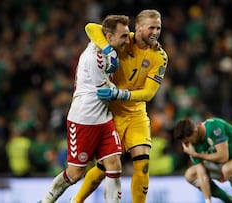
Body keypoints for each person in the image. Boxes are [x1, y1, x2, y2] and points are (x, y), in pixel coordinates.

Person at [72, 9, 168, 203]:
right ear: (138, 27)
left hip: (136, 114)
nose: (156, 32)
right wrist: (108, 49)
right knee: (102, 169)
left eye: (158, 27)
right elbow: (90, 27)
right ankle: (76, 201)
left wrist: (119, 93)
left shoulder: (160, 56)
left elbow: (148, 94)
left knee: (143, 164)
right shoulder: (123, 39)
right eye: (152, 27)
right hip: (111, 114)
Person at [39, 15, 131, 203]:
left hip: (104, 120)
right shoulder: (94, 57)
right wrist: (130, 93)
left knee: (114, 165)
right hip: (84, 120)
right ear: (109, 36)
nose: (127, 40)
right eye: (123, 36)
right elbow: (105, 92)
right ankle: (46, 200)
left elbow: (93, 28)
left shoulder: (107, 48)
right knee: (75, 173)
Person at [173, 117, 232, 203]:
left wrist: (197, 155)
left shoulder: (214, 126)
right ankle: (231, 201)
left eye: (188, 141)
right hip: (226, 164)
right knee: (190, 175)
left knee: (228, 169)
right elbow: (202, 173)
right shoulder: (192, 145)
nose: (187, 145)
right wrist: (207, 200)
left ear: (195, 130)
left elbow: (223, 157)